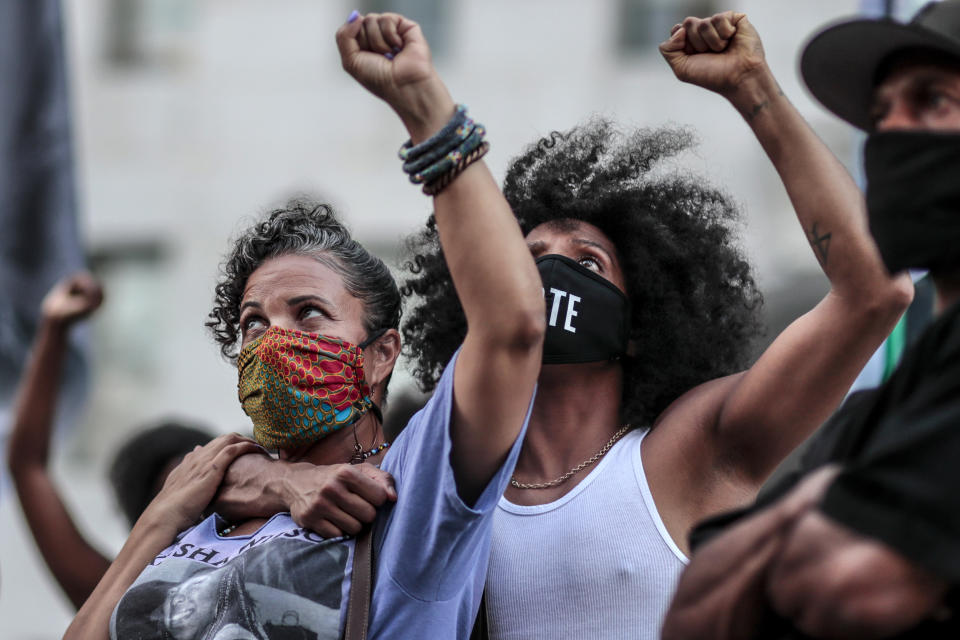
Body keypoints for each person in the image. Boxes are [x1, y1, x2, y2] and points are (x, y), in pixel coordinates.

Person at [208, 11, 907, 639]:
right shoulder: (437, 473)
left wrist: (754, 90)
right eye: (531, 258)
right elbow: (246, 481)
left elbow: (875, 290)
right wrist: (272, 482)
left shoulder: (691, 449)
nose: (549, 278)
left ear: (641, 323)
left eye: (587, 262)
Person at [65, 10, 544, 640]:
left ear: (381, 355)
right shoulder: (208, 499)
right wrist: (163, 516)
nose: (272, 339)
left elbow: (512, 327)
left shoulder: (411, 492)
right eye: (252, 322)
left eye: (309, 313)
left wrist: (426, 112)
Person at [662, 2, 960, 638]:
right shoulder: (882, 409)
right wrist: (821, 513)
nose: (893, 132)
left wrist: (804, 511)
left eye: (933, 100)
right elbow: (690, 610)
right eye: (881, 116)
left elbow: (854, 589)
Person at [5, 272, 212, 609]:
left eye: (208, 497)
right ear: (146, 525)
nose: (197, 521)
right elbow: (28, 466)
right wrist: (54, 328)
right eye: (181, 508)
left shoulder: (280, 560)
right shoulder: (122, 603)